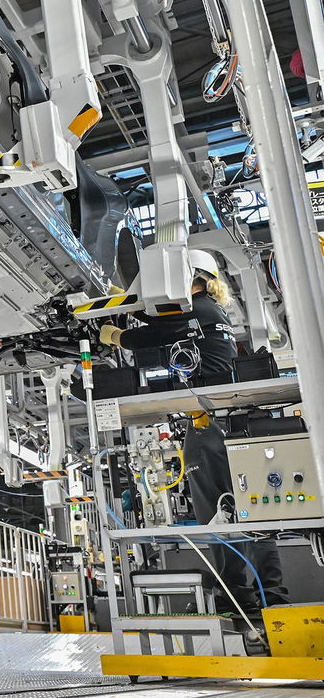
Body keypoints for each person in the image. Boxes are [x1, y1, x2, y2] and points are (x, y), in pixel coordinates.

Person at [99, 250, 287, 612]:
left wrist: (115, 334)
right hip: (227, 423)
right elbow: (155, 316)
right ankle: (268, 602)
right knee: (253, 516)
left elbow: (147, 335)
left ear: (192, 277)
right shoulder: (206, 311)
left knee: (219, 519)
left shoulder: (196, 309)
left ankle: (240, 602)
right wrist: (116, 297)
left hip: (209, 427)